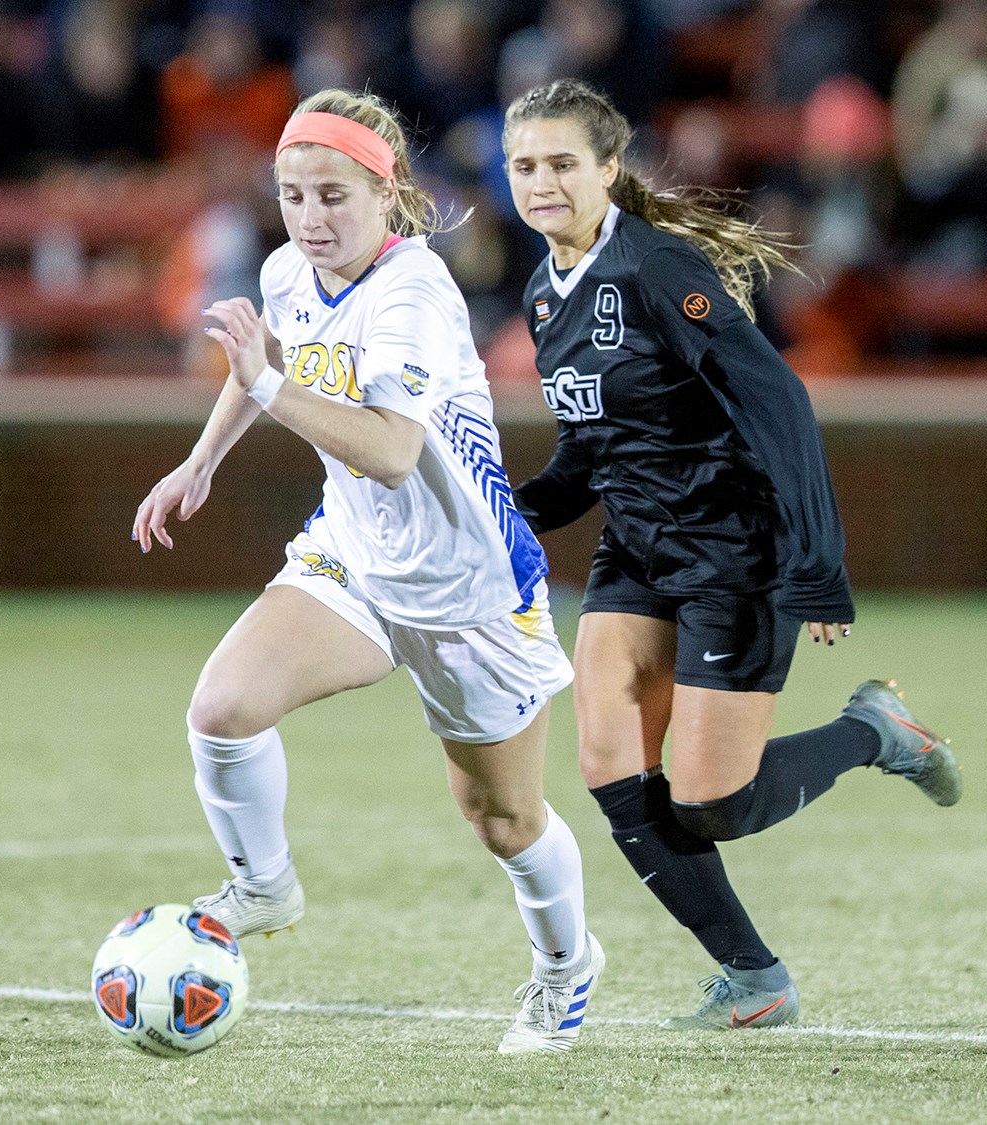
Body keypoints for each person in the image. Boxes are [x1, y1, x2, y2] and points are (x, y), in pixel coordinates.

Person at [130, 89, 601, 1056]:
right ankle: (263, 885)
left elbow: (389, 449)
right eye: (294, 196)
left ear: (387, 192)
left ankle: (567, 966)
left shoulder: (416, 294)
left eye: (334, 196)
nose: (311, 218)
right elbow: (265, 356)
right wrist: (202, 460)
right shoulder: (289, 270)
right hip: (354, 551)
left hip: (468, 587)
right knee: (222, 708)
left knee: (504, 820)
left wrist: (268, 381)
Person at [499, 78, 962, 1032]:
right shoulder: (546, 295)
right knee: (609, 766)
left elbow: (779, 401)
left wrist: (817, 562)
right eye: (523, 166)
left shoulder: (659, 267)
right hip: (636, 551)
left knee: (714, 802)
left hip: (731, 552)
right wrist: (501, 511)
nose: (540, 182)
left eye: (560, 164)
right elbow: (593, 450)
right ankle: (757, 976)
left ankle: (874, 731)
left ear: (607, 170)